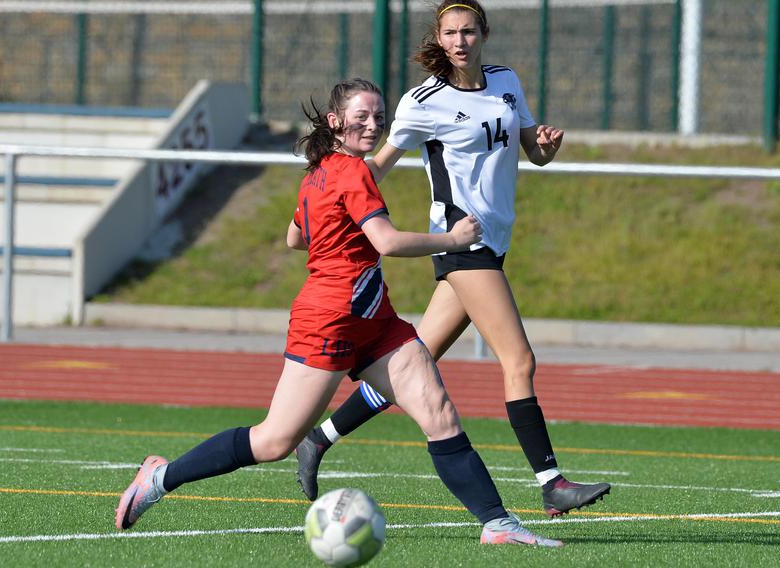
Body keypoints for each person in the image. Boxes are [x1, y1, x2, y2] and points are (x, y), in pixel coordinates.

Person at [114, 78, 562, 547]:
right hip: (328, 319)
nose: (373, 125)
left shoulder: (321, 173)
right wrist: (452, 240)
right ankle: (161, 478)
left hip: (375, 319)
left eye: (379, 118)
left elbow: (294, 236)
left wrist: (332, 230)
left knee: (439, 413)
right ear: (335, 122)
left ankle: (498, 524)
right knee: (273, 442)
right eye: (362, 117)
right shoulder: (352, 172)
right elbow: (385, 242)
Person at [296, 1, 611, 519]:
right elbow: (371, 171)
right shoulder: (424, 101)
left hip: (495, 244)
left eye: (468, 31)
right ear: (439, 39)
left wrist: (546, 146)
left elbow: (531, 149)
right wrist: (319, 200)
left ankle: (319, 438)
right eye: (450, 33)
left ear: (483, 33)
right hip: (462, 244)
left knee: (415, 363)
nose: (460, 40)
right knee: (520, 360)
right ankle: (551, 483)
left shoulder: (507, 79)